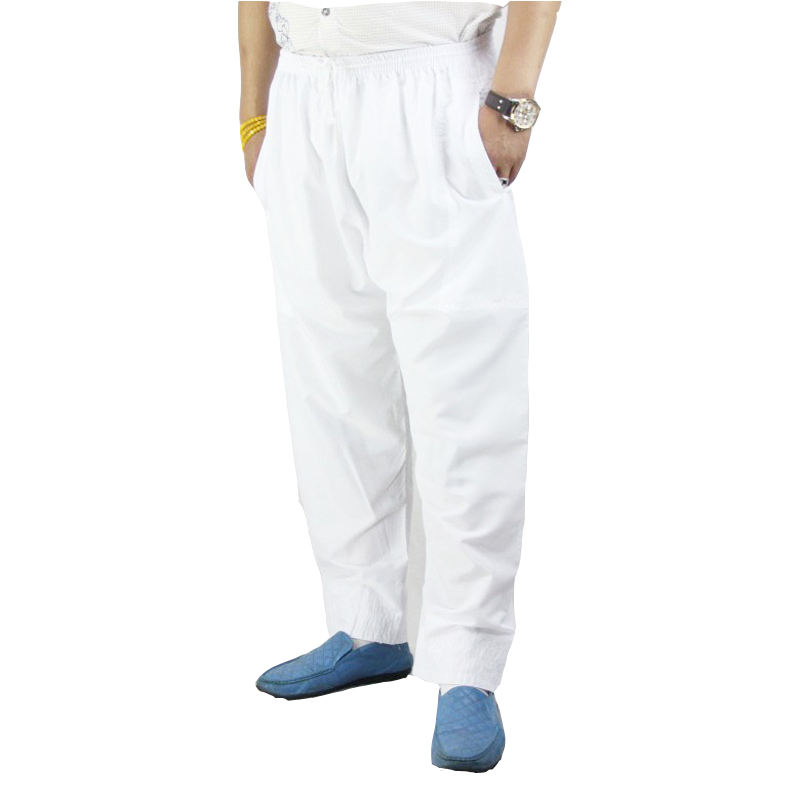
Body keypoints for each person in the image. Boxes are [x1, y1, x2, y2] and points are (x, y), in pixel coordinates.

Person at [238, 0, 560, 772]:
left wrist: (513, 97)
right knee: (332, 384)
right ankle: (367, 622)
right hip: (304, 98)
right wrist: (253, 112)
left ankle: (468, 663)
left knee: (463, 391)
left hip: (431, 92)